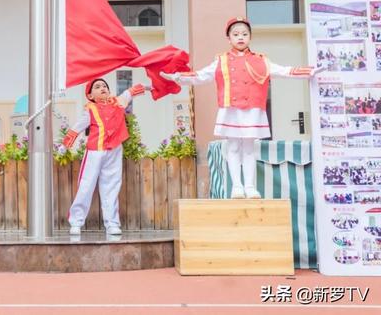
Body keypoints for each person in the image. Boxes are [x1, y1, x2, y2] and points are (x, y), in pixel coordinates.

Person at [162, 16, 324, 199]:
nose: (240, 37)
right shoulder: (221, 60)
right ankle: (236, 187)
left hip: (253, 109)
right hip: (231, 108)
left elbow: (283, 70)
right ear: (228, 38)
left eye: (245, 34)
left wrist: (309, 71)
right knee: (232, 147)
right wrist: (178, 77)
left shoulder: (261, 60)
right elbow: (201, 76)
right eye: (236, 34)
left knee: (249, 148)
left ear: (250, 37)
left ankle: (249, 186)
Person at [61, 79, 149, 235]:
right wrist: (65, 145)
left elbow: (129, 92)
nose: (102, 88)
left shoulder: (118, 102)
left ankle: (112, 223)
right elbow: (77, 127)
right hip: (95, 151)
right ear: (90, 95)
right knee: (86, 186)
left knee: (111, 187)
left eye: (104, 86)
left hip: (114, 150)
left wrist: (148, 87)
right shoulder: (90, 109)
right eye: (97, 87)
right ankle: (76, 222)